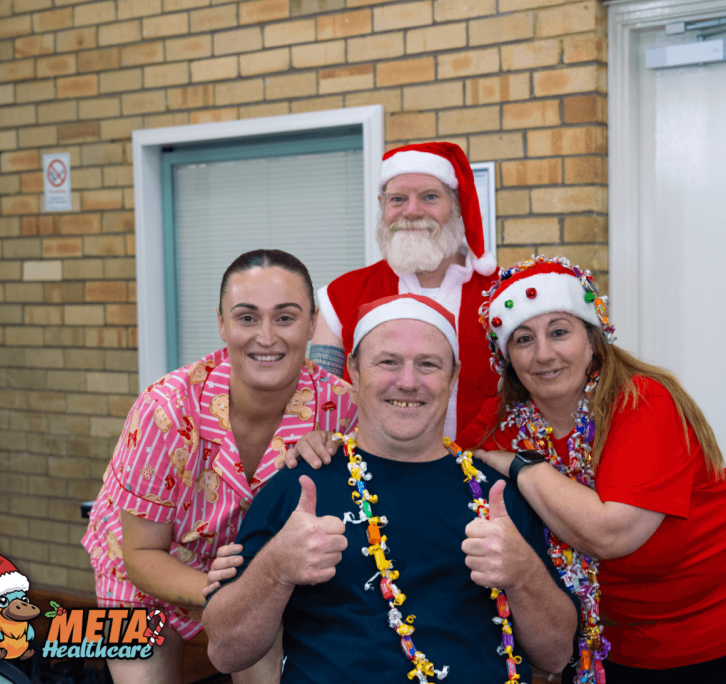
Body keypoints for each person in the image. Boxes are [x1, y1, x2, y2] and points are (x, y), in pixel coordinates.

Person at [469, 256, 726, 684]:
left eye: (560, 332)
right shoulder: (499, 424)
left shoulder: (641, 401)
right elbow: (433, 447)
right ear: (507, 358)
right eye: (523, 340)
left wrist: (524, 468)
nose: (543, 354)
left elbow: (612, 533)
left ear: (593, 339)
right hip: (624, 642)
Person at [203, 294, 578, 682]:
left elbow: (555, 655)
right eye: (388, 362)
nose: (409, 382)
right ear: (354, 370)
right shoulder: (299, 485)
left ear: (453, 376)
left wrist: (523, 574)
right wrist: (276, 567)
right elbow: (226, 651)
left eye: (428, 364)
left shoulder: (495, 495)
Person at [82, 249, 357, 683]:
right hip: (142, 579)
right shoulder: (166, 409)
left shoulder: (342, 409)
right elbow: (140, 554)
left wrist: (336, 450)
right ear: (222, 323)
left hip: (256, 581)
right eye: (247, 318)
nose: (266, 337)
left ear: (311, 324)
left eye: (285, 318)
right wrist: (226, 590)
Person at [310, 142, 498, 443]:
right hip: (368, 482)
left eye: (430, 197)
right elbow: (317, 401)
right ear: (382, 205)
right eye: (398, 199)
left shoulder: (501, 294)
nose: (411, 211)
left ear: (457, 206)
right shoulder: (340, 295)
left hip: (485, 479)